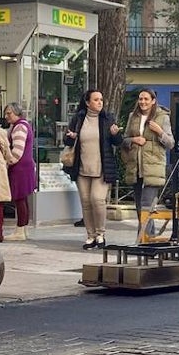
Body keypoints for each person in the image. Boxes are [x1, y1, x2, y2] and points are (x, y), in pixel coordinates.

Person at [63, 90, 123, 249]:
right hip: (82, 167)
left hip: (101, 168)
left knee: (97, 200)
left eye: (101, 99)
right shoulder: (79, 118)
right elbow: (67, 140)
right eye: (96, 100)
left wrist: (115, 134)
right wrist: (71, 136)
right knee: (86, 202)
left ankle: (100, 233)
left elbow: (117, 142)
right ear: (88, 102)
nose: (100, 102)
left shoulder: (107, 118)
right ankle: (90, 236)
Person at [120, 89, 176, 218]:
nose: (143, 102)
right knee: (140, 207)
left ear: (153, 101)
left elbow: (170, 144)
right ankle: (146, 236)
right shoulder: (132, 117)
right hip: (136, 167)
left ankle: (144, 237)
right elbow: (124, 140)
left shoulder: (163, 117)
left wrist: (159, 131)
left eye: (146, 99)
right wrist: (134, 140)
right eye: (140, 99)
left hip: (153, 167)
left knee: (147, 206)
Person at [2, 103, 37, 241]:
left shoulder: (19, 127)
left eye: (9, 113)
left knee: (19, 199)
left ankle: (20, 230)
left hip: (20, 168)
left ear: (17, 113)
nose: (6, 116)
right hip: (25, 166)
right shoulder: (23, 125)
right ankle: (23, 229)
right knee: (22, 199)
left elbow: (17, 151)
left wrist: (8, 162)